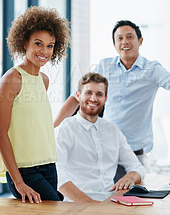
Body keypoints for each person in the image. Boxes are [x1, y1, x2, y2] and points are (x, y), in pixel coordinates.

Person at [54, 20, 170, 180]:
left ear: (140, 40)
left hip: (133, 151)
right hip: (104, 147)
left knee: (128, 200)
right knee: (100, 198)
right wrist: (52, 127)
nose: (124, 41)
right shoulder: (105, 66)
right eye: (119, 38)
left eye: (129, 37)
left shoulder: (151, 70)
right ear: (114, 45)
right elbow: (77, 97)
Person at [0, 6, 71, 204]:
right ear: (25, 43)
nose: (45, 51)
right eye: (38, 44)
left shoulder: (44, 80)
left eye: (50, 45)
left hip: (49, 165)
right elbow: (0, 133)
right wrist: (18, 182)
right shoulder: (12, 79)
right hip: (25, 171)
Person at [56, 73, 145, 202]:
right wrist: (92, 206)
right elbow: (59, 176)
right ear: (78, 95)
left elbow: (137, 167)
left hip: (111, 203)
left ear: (105, 98)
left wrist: (130, 177)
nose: (93, 98)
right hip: (77, 206)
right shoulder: (65, 129)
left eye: (99, 94)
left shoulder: (112, 130)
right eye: (88, 93)